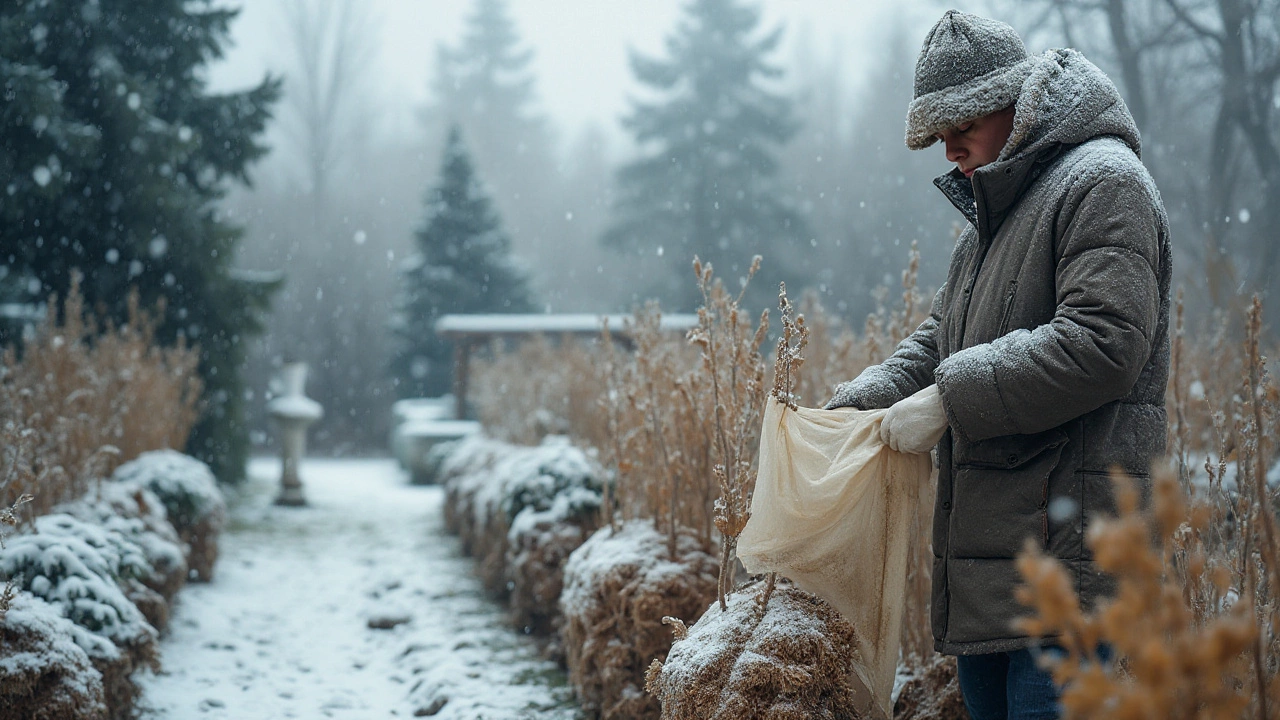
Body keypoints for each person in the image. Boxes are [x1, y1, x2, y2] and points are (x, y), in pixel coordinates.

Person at [824, 10, 1171, 720]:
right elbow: (941, 337)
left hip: (1067, 561)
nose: (948, 148)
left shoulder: (1104, 183)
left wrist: (949, 403)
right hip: (1000, 564)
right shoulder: (1001, 210)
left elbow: (1104, 341)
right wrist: (859, 406)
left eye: (960, 125)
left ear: (1016, 100)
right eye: (936, 135)